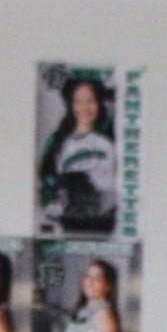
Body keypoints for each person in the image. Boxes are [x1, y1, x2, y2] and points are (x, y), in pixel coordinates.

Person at [39, 75, 117, 235]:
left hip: (104, 223)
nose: (85, 107)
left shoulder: (110, 141)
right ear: (71, 105)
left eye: (91, 101)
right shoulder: (58, 142)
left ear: (99, 103)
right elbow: (46, 180)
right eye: (79, 101)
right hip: (69, 224)